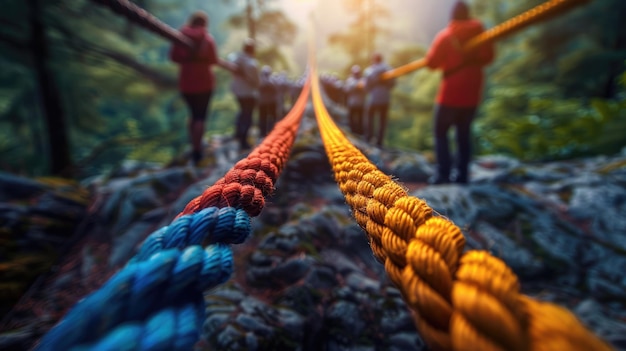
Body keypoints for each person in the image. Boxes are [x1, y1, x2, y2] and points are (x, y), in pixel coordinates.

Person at [425, 1, 495, 184]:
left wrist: (449, 59)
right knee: (463, 134)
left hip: (450, 94)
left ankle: (443, 174)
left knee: (441, 132)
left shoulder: (446, 36)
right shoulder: (481, 34)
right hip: (472, 94)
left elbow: (431, 62)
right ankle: (462, 175)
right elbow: (489, 57)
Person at [169, 11, 237, 165]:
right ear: (204, 24)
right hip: (204, 83)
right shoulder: (207, 39)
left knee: (193, 115)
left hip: (186, 84)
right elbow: (213, 60)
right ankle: (198, 150)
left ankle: (193, 145)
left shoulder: (181, 36)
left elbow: (173, 57)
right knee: (200, 116)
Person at [228, 38, 260, 150]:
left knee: (242, 112)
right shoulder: (252, 63)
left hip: (238, 91)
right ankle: (243, 139)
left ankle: (239, 133)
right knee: (247, 115)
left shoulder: (236, 58)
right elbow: (256, 81)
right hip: (248, 92)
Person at [364, 53, 396, 147]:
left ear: (373, 60)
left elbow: (366, 87)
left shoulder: (369, 71)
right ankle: (379, 142)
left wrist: (372, 89)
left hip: (373, 98)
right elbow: (393, 83)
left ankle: (368, 138)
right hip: (385, 98)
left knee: (370, 117)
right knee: (382, 120)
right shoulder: (389, 69)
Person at [343, 65, 366, 136]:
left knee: (360, 119)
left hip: (360, 103)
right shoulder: (350, 80)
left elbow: (365, 89)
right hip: (352, 103)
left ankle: (360, 133)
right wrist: (355, 87)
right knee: (352, 119)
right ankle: (352, 132)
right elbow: (346, 90)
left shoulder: (363, 80)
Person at [258, 65, 278, 138]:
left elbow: (275, 89)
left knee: (271, 117)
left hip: (270, 102)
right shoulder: (259, 80)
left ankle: (271, 130)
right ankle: (262, 133)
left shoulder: (272, 80)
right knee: (263, 118)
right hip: (263, 102)